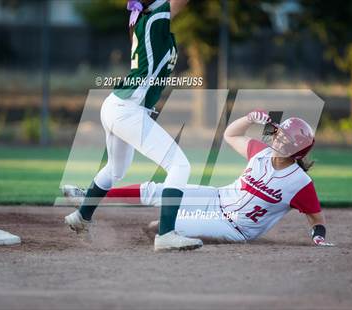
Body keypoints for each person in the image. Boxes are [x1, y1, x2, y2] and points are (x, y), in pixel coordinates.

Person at [63, 111, 334, 246]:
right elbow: (231, 135)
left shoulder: (299, 184)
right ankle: (88, 197)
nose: (277, 136)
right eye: (279, 133)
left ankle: (168, 234)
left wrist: (318, 237)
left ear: (295, 149)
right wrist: (250, 117)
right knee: (159, 189)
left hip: (234, 227)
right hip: (217, 197)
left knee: (158, 226)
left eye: (284, 136)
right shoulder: (260, 153)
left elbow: (316, 219)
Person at [64, 0, 204, 252]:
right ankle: (166, 234)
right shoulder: (153, 18)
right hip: (128, 109)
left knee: (116, 170)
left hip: (120, 106)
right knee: (180, 165)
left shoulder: (148, 18)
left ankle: (81, 216)